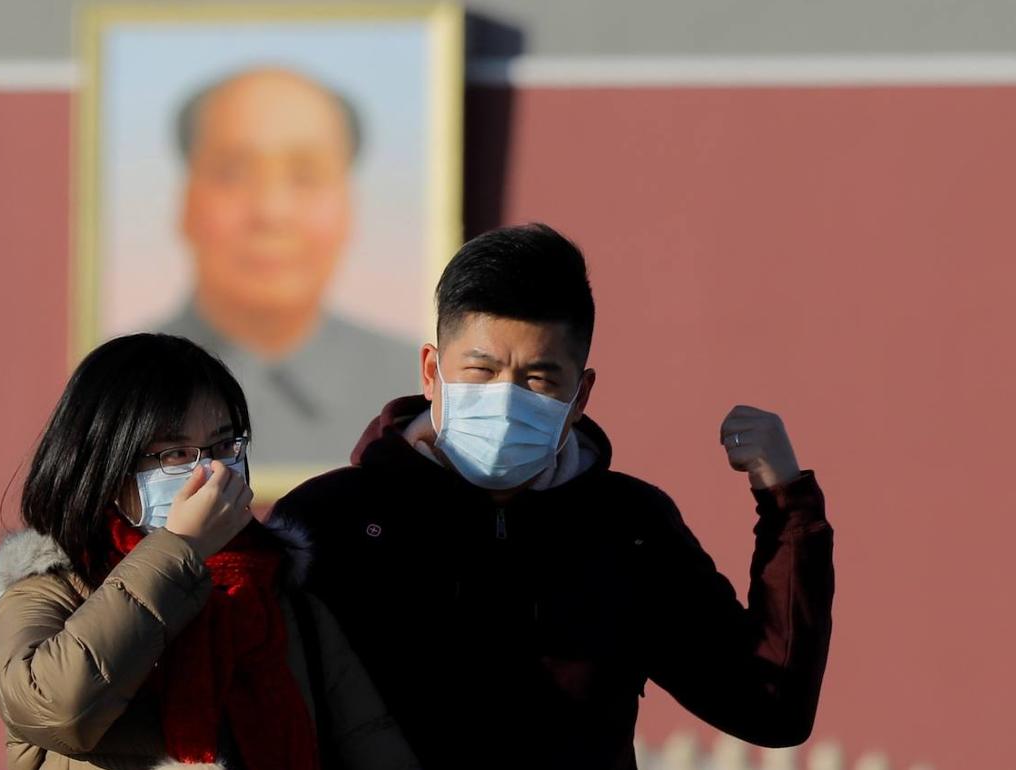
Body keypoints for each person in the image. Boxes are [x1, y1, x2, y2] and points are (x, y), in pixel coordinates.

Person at [273, 224, 835, 769]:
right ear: (431, 370)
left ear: (581, 394)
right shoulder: (329, 523)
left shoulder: (631, 528)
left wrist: (786, 503)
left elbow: (770, 706)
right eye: (481, 369)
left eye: (539, 379)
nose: (504, 398)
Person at [0, 334, 419, 770]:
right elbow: (56, 709)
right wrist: (180, 550)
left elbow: (373, 745)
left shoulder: (281, 599)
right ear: (106, 466)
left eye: (224, 446)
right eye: (177, 453)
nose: (210, 471)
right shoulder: (50, 592)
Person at [155, 67, 419, 467]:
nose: (271, 211)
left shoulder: (411, 387)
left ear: (350, 208)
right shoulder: (132, 381)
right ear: (186, 202)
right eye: (231, 173)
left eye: (306, 176)